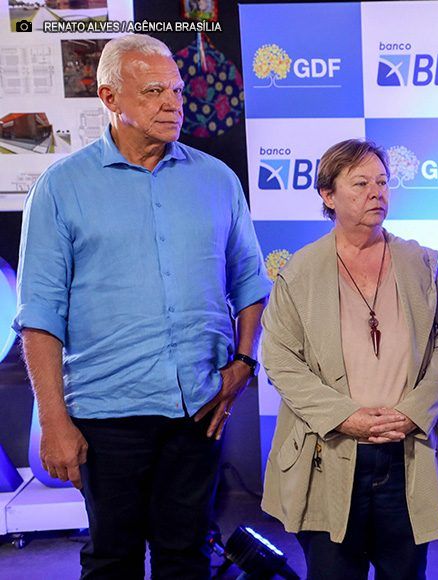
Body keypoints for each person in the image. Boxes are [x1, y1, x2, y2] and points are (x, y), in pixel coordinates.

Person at [14, 34, 270, 578]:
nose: (173, 103)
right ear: (109, 98)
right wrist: (54, 422)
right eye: (154, 91)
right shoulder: (61, 188)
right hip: (107, 415)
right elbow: (39, 314)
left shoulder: (217, 180)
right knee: (113, 559)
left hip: (198, 407)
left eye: (176, 90)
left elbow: (250, 280)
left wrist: (245, 363)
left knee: (187, 556)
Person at [260, 139, 438, 580]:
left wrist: (413, 413)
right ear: (328, 195)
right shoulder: (300, 272)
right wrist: (343, 417)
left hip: (406, 454)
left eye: (383, 182)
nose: (377, 193)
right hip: (328, 454)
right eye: (361, 184)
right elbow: (279, 359)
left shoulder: (421, 264)